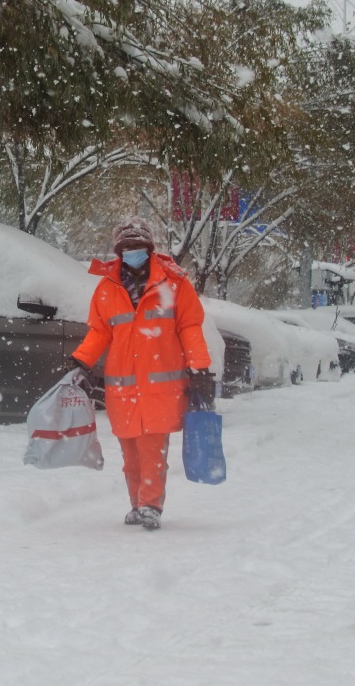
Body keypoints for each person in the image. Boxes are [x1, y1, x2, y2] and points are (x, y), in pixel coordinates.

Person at [69, 217, 214, 530]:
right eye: (128, 247)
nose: (133, 251)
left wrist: (199, 366)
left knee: (152, 449)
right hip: (122, 388)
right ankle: (137, 504)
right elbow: (99, 332)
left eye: (139, 246)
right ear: (120, 251)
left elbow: (189, 327)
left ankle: (150, 505)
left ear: (149, 248)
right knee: (130, 452)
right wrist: (81, 360)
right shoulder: (107, 289)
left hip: (161, 386)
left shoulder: (174, 284)